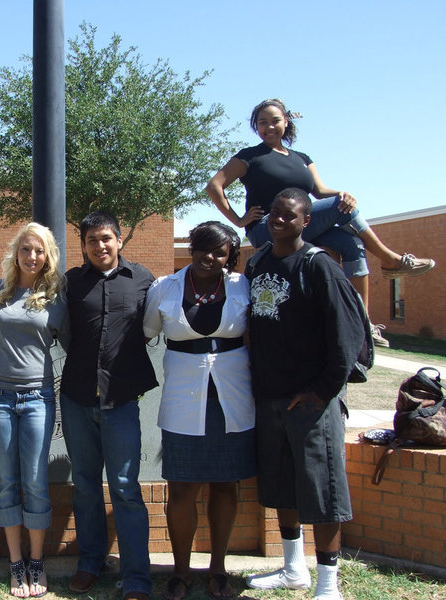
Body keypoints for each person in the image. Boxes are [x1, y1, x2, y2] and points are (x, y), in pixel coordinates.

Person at [206, 98, 435, 347]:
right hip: (269, 229)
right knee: (341, 208)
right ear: (256, 127)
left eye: (275, 121)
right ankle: (391, 260)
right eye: (262, 123)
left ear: (286, 122)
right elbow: (214, 186)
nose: (269, 127)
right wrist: (239, 220)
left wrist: (344, 194)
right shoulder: (249, 157)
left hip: (303, 226)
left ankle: (361, 321)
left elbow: (320, 191)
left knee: (351, 241)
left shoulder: (302, 158)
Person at [245, 188, 365, 600]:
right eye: (275, 213)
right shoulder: (258, 262)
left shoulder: (318, 267)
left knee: (322, 488)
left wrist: (321, 391)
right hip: (269, 397)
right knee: (282, 486)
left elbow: (347, 337)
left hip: (310, 403)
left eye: (289, 215)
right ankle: (293, 569)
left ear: (306, 221)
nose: (279, 220)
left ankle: (329, 584)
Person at [143, 221, 256, 599]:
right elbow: (146, 331)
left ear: (230, 256)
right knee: (182, 487)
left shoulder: (243, 286)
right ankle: (179, 572)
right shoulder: (165, 287)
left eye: (219, 251)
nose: (210, 257)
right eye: (203, 248)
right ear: (191, 248)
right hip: (183, 400)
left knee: (226, 484)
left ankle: (219, 568)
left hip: (232, 399)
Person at [60, 211, 157, 600]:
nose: (100, 246)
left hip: (120, 401)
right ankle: (91, 560)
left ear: (119, 240)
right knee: (84, 484)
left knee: (124, 487)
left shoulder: (143, 280)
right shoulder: (70, 283)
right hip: (77, 396)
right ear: (82, 246)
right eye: (91, 240)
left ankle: (136, 577)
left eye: (106, 239)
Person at [0, 223, 67, 598]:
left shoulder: (55, 295)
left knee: (34, 480)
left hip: (37, 397)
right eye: (26, 249)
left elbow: (76, 341)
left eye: (40, 251)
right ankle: (15, 563)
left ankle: (36, 560)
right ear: (16, 251)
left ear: (48, 256)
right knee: (8, 480)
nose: (32, 257)